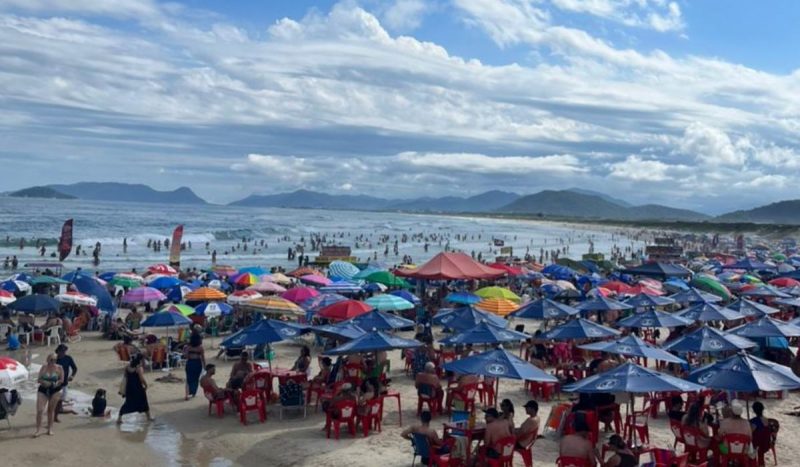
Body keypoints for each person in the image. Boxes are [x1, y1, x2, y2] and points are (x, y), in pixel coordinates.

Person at [117, 353, 153, 425]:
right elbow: (141, 379)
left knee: (128, 403)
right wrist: (146, 385)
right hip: (137, 387)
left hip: (129, 387)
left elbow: (125, 376)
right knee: (143, 401)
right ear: (140, 360)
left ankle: (119, 418)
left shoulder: (127, 367)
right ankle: (148, 417)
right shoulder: (139, 368)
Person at [34, 353, 64, 437]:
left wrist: (56, 383)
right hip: (43, 389)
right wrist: (44, 382)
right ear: (48, 360)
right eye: (51, 360)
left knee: (51, 410)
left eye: (55, 360)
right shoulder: (44, 367)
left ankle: (50, 429)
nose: (53, 362)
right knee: (40, 410)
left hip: (55, 390)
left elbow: (62, 380)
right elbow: (38, 379)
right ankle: (38, 430)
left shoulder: (59, 368)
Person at [54, 344, 78, 421]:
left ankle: (59, 409)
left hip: (64, 383)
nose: (63, 353)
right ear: (58, 351)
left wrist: (72, 376)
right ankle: (55, 416)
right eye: (62, 352)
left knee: (62, 399)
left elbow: (75, 368)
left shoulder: (68, 358)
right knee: (57, 400)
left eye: (64, 351)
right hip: (55, 383)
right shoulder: (54, 359)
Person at [750, 401, 774, 467]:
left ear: (754, 410)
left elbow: (750, 431)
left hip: (757, 443)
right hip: (766, 442)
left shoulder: (754, 421)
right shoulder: (766, 419)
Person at [183, 331, 205, 400]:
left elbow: (186, 356)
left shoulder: (188, 347)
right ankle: (193, 393)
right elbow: (203, 358)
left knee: (188, 379)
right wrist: (205, 366)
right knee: (195, 379)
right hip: (197, 363)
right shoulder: (200, 347)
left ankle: (186, 394)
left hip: (190, 363)